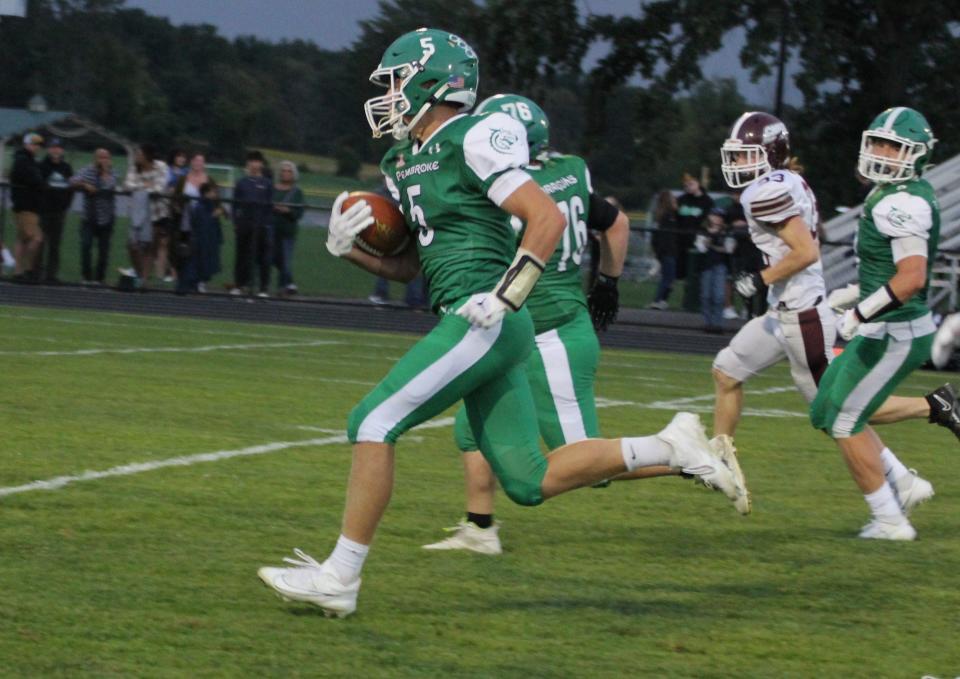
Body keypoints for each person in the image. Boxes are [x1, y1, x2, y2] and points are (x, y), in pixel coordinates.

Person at [257, 29, 747, 617]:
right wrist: (350, 251)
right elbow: (413, 263)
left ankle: (340, 576)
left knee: (371, 420)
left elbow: (545, 219)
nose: (386, 95)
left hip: (486, 315)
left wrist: (508, 298)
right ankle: (671, 444)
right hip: (471, 313)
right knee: (527, 479)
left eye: (393, 81)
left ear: (431, 81)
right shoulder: (405, 158)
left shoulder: (471, 135)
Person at [420, 93, 731, 555]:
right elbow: (618, 222)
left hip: (550, 333)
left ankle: (685, 456)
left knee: (585, 461)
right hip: (519, 329)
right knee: (472, 429)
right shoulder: (566, 173)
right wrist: (607, 282)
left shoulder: (507, 189)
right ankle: (480, 528)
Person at [810, 107, 949, 539]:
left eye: (894, 147)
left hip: (897, 332)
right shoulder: (889, 193)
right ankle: (905, 483)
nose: (882, 152)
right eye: (878, 142)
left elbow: (911, 278)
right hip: (884, 326)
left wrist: (858, 313)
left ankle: (890, 520)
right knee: (825, 411)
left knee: (845, 420)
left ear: (917, 154)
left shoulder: (902, 202)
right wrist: (857, 293)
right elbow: (887, 268)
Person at [122, 143, 169, 286]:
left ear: (147, 156)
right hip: (138, 214)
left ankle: (144, 281)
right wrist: (146, 186)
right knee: (132, 245)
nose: (137, 157)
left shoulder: (161, 166)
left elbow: (159, 188)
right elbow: (127, 185)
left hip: (156, 213)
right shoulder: (134, 168)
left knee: (150, 247)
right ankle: (140, 274)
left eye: (139, 154)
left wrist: (141, 187)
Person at [71, 148, 117, 285]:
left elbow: (110, 185)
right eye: (100, 157)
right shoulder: (87, 170)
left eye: (106, 157)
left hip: (106, 217)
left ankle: (99, 278)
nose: (103, 160)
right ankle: (86, 277)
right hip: (89, 217)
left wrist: (105, 171)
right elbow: (72, 181)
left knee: (103, 250)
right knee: (86, 246)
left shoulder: (112, 172)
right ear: (95, 158)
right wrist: (84, 184)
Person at [231, 150, 273, 297]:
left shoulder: (267, 183)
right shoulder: (241, 183)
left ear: (261, 164)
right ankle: (239, 285)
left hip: (261, 226)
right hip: (245, 225)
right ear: (248, 164)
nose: (254, 164)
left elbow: (269, 206)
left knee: (263, 257)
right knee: (241, 256)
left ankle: (263, 288)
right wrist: (236, 222)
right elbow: (235, 205)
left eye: (257, 161)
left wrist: (266, 223)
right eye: (251, 161)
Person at [10, 132, 46, 283]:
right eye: (33, 144)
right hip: (26, 205)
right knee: (36, 238)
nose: (36, 147)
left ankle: (18, 272)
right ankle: (28, 270)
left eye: (37, 144)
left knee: (22, 239)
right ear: (26, 144)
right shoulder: (24, 161)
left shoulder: (26, 159)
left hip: (25, 205)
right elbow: (36, 180)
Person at [37, 137, 74, 283]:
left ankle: (51, 275)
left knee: (55, 244)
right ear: (48, 149)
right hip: (43, 210)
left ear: (62, 150)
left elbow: (71, 188)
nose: (55, 150)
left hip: (59, 210)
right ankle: (37, 272)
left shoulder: (66, 167)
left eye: (58, 147)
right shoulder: (41, 166)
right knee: (40, 242)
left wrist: (66, 205)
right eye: (53, 147)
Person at [178, 181, 223, 294]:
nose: (216, 194)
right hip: (201, 241)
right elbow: (202, 223)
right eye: (214, 192)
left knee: (206, 264)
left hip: (209, 240)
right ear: (206, 193)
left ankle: (199, 284)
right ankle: (190, 285)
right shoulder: (200, 206)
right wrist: (213, 216)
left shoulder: (210, 205)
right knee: (197, 263)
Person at [696, 207, 735, 333]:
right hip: (706, 265)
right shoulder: (703, 230)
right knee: (706, 296)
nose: (717, 219)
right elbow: (701, 247)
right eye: (714, 216)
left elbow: (729, 249)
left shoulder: (727, 231)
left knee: (718, 296)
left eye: (719, 217)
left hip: (720, 265)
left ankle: (717, 324)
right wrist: (715, 244)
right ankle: (708, 323)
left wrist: (711, 244)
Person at [270, 160, 304, 296]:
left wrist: (287, 210)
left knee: (285, 260)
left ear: (293, 174)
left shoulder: (296, 192)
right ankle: (290, 283)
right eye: (283, 170)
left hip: (287, 231)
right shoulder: (272, 189)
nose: (285, 173)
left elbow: (299, 213)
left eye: (289, 171)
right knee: (272, 258)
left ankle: (282, 287)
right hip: (271, 229)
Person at [675, 173, 713, 281]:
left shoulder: (707, 201)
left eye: (691, 184)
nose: (688, 186)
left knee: (695, 271)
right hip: (681, 240)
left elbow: (708, 220)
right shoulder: (681, 199)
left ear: (698, 184)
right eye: (686, 185)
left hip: (697, 240)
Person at [648, 189, 678, 310]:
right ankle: (658, 300)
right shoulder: (668, 216)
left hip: (664, 251)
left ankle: (662, 300)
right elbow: (665, 237)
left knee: (668, 277)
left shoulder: (661, 216)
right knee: (668, 278)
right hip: (668, 251)